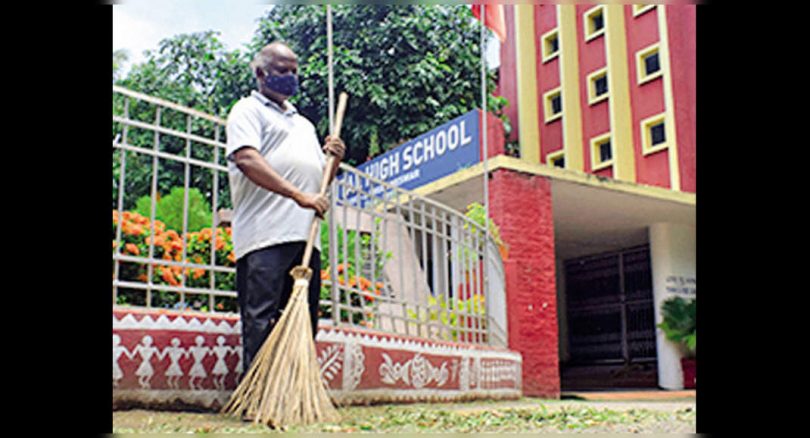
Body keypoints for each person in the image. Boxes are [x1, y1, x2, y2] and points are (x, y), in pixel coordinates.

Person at [225, 42, 345, 375]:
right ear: (262, 73)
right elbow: (247, 159)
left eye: (294, 70)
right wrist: (298, 196)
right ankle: (257, 394)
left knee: (303, 318)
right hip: (264, 236)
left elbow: (320, 181)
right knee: (260, 317)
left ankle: (292, 392)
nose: (291, 77)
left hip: (304, 237)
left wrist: (334, 159)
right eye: (283, 70)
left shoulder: (303, 124)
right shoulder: (247, 110)